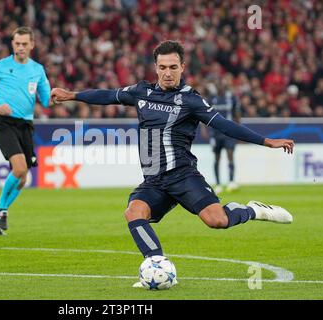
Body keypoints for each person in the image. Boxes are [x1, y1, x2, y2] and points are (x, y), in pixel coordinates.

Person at [51, 40, 294, 285]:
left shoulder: (191, 100)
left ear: (182, 67)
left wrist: (266, 141)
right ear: (156, 68)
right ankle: (156, 266)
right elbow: (108, 95)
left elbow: (224, 125)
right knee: (134, 212)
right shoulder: (141, 92)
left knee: (217, 221)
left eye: (173, 67)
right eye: (163, 67)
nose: (168, 72)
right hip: (154, 180)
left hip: (183, 175)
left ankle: (254, 210)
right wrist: (73, 95)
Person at [0, 26, 51, 235]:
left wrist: (56, 96)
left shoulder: (37, 70)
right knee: (19, 169)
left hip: (25, 125)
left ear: (32, 45)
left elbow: (45, 100)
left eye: (25, 44)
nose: (20, 48)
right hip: (5, 122)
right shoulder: (0, 66)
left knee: (23, 177)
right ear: (12, 44)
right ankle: (1, 209)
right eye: (17, 43)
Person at [203, 79, 241, 194]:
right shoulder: (211, 99)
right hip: (215, 134)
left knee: (230, 155)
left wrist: (238, 130)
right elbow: (203, 114)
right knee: (217, 158)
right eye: (218, 86)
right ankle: (218, 183)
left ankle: (231, 181)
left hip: (229, 133)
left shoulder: (231, 98)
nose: (220, 88)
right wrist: (204, 129)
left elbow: (236, 115)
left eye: (222, 86)